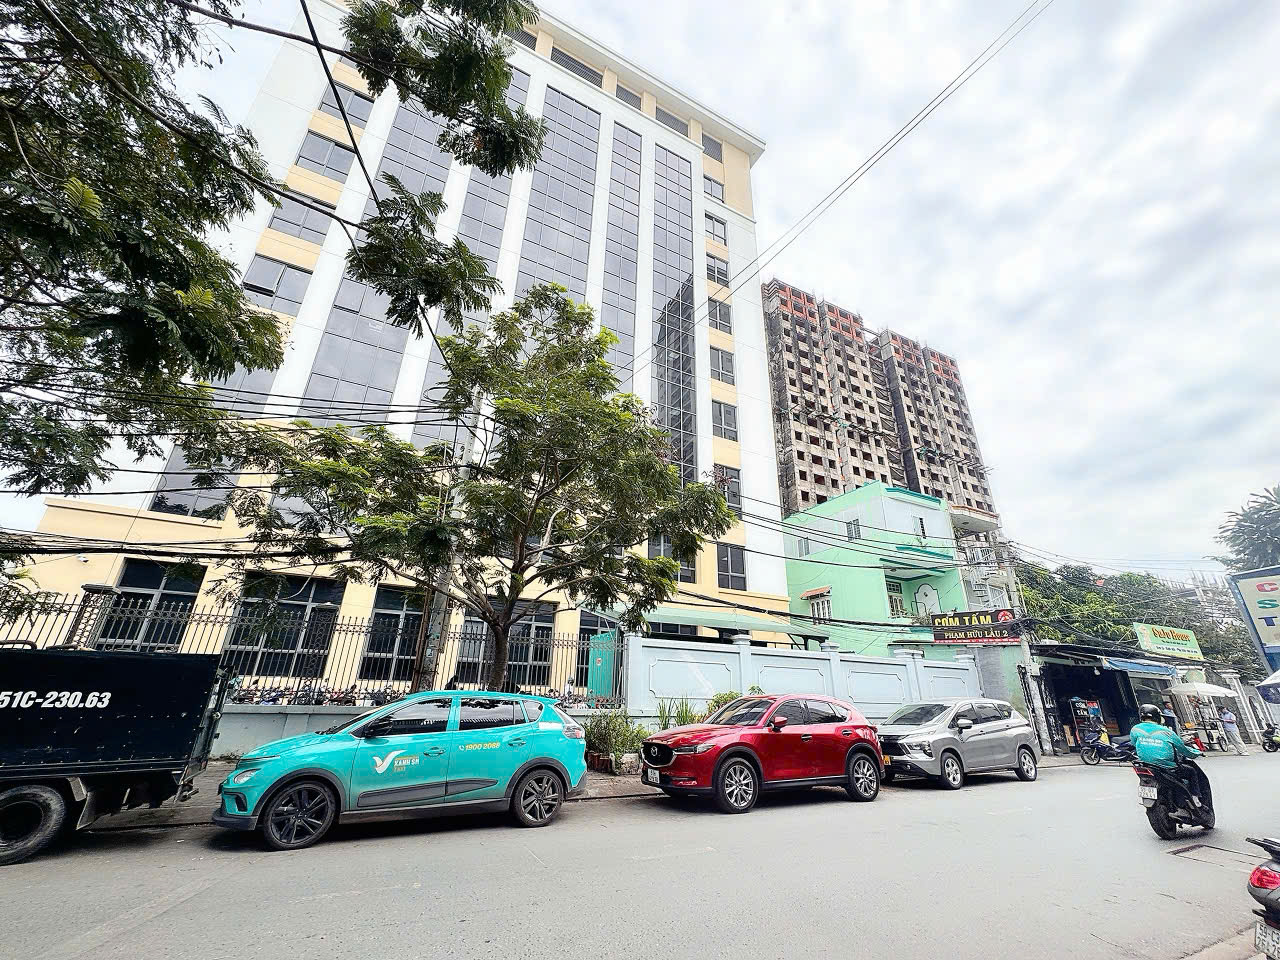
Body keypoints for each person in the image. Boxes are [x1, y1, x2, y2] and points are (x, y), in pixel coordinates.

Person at [1131, 703, 1204, 804]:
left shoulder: (1135, 729)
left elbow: (1134, 743)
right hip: (1167, 768)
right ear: (1157, 717)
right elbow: (1184, 750)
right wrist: (1197, 752)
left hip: (1146, 766)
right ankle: (1195, 799)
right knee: (1191, 771)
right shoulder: (1167, 731)